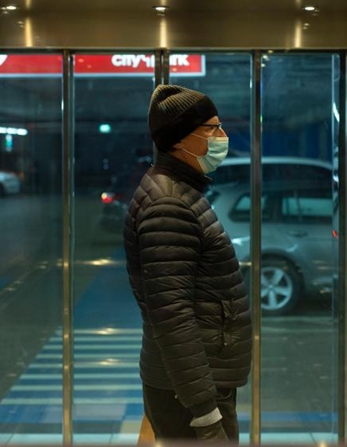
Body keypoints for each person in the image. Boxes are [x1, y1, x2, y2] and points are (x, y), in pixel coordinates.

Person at [124, 85, 252, 442]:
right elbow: (173, 314)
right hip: (192, 392)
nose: (222, 137)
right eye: (212, 130)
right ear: (181, 140)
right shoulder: (169, 205)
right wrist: (204, 411)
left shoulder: (177, 192)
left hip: (194, 382)